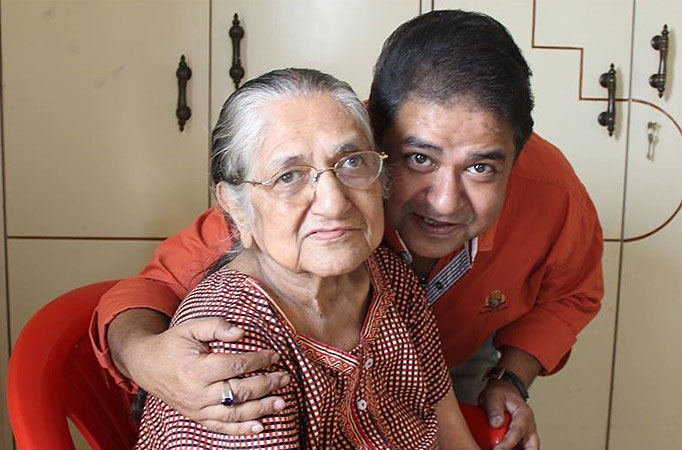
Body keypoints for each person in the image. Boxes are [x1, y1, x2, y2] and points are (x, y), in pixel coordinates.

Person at [91, 10, 603, 450]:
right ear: (373, 134)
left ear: (518, 152)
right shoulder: (299, 189)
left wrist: (511, 376)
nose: (445, 202)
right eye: (418, 158)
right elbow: (156, 289)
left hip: (452, 358)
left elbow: (570, 294)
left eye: (481, 169)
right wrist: (144, 356)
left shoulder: (551, 195)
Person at [135, 67, 478, 449]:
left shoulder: (391, 277)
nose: (333, 204)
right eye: (288, 176)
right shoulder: (232, 340)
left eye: (351, 162)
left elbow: (450, 433)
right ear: (235, 204)